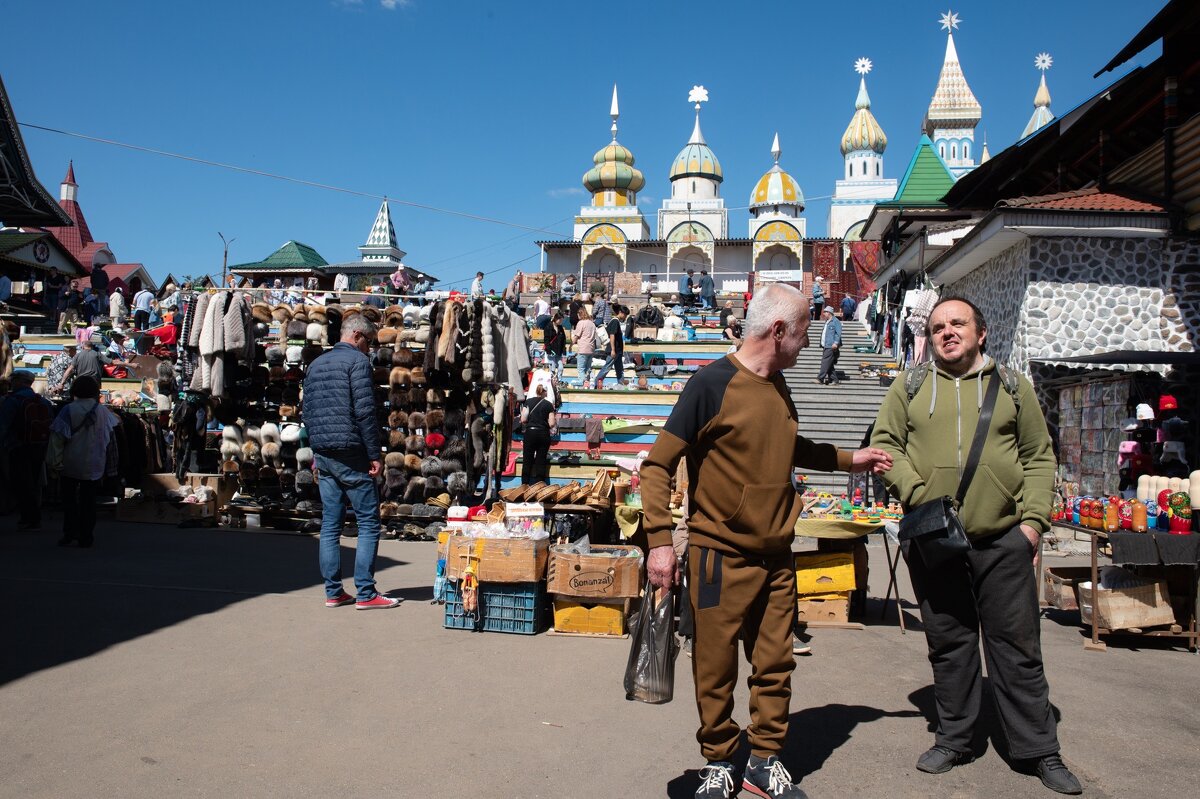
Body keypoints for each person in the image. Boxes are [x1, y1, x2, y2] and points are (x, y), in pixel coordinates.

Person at [640, 282, 892, 799]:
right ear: (778, 331)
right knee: (714, 666)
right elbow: (657, 466)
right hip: (718, 556)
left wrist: (850, 459)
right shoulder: (709, 385)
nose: (808, 344)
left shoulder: (778, 385)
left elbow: (786, 444)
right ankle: (718, 761)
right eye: (803, 333)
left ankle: (763, 761)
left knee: (775, 663)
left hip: (777, 555)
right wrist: (660, 543)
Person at [870, 297, 1080, 796]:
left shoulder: (1012, 386)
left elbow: (1038, 457)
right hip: (935, 539)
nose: (947, 332)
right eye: (939, 326)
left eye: (957, 324)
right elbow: (885, 446)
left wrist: (1031, 524)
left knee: (1017, 647)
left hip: (1002, 539)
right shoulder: (911, 385)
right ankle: (955, 738)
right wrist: (920, 494)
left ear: (980, 333)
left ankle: (1038, 749)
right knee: (950, 643)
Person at [302, 314, 400, 610]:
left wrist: (315, 450)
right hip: (351, 450)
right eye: (368, 342)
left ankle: (334, 591)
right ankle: (366, 593)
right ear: (357, 335)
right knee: (369, 521)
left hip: (324, 451)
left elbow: (306, 410)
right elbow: (365, 412)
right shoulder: (357, 363)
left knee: (330, 524)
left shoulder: (317, 363)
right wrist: (374, 454)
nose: (369, 348)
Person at [46, 376, 120, 548]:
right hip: (95, 463)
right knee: (89, 502)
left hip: (71, 463)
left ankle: (69, 533)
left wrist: (54, 463)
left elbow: (57, 438)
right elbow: (110, 440)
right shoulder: (103, 411)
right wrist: (112, 468)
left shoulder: (68, 410)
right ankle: (86, 536)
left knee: (69, 501)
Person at [0, 371, 54, 530]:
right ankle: (31, 515)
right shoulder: (43, 401)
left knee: (20, 482)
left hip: (18, 446)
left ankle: (30, 516)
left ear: (19, 382)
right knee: (33, 479)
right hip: (39, 445)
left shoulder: (13, 400)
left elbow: (4, 425)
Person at [520, 384, 556, 484]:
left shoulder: (528, 402)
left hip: (530, 432)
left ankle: (524, 486)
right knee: (541, 461)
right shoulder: (548, 404)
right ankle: (539, 487)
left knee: (527, 460)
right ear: (545, 392)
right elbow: (552, 423)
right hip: (543, 433)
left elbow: (523, 419)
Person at [594, 304, 628, 388]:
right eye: (625, 315)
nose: (625, 317)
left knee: (619, 369)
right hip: (614, 350)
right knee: (607, 367)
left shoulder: (615, 322)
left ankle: (621, 383)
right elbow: (612, 335)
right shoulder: (615, 321)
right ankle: (597, 382)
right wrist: (613, 350)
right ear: (620, 312)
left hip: (618, 351)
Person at [816, 305, 842, 385]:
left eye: (825, 312)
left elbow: (838, 333)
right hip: (825, 345)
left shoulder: (836, 321)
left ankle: (820, 378)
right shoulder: (827, 321)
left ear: (829, 313)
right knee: (829, 364)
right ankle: (835, 380)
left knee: (825, 362)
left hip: (831, 345)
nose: (824, 314)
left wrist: (836, 343)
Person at [572, 306, 596, 386]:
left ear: (580, 314)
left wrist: (572, 343)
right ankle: (588, 383)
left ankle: (582, 384)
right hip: (591, 348)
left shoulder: (581, 323)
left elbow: (576, 335)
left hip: (583, 348)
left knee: (581, 368)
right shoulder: (592, 323)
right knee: (588, 368)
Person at [543, 311, 567, 380]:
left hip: (558, 351)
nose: (561, 322)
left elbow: (563, 340)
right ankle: (551, 381)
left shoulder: (560, 328)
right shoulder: (548, 327)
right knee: (552, 369)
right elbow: (546, 340)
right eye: (560, 320)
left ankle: (559, 380)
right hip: (551, 351)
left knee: (560, 367)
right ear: (556, 318)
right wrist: (548, 350)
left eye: (562, 320)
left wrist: (564, 352)